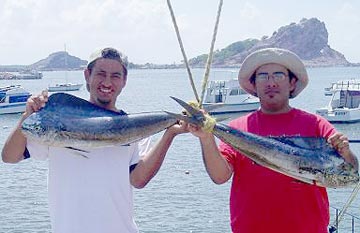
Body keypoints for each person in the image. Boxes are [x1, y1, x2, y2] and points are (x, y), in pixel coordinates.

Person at [2, 47, 187, 233]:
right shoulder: (58, 121)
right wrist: (27, 116)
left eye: (115, 75)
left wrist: (169, 134)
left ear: (124, 80)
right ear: (87, 75)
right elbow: (9, 156)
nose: (107, 82)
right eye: (101, 73)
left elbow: (138, 180)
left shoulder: (135, 130)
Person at [188, 48, 359, 233]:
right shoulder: (237, 127)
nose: (271, 82)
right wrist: (206, 138)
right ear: (254, 85)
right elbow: (220, 176)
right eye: (263, 76)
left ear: (292, 83)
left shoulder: (316, 125)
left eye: (278, 75)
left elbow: (351, 169)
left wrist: (345, 151)